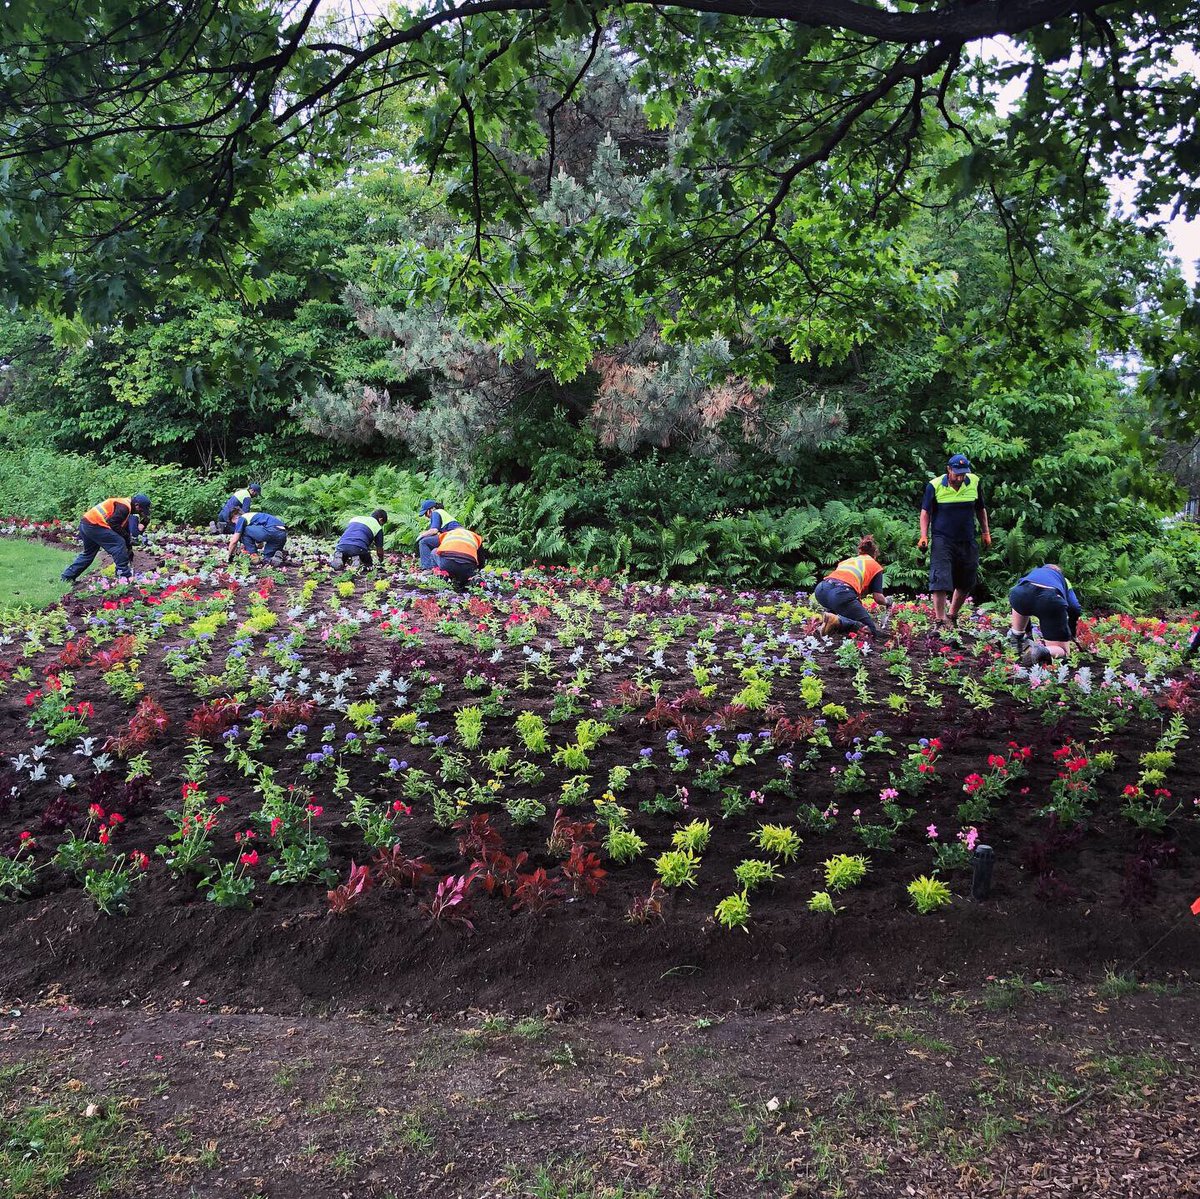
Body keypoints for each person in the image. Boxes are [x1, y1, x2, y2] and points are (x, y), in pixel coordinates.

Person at [917, 452, 992, 630]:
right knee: (940, 579)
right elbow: (925, 512)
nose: (960, 478)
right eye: (957, 474)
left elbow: (980, 509)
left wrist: (985, 532)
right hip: (942, 539)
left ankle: (952, 615)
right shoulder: (935, 485)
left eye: (963, 474)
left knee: (966, 579)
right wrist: (923, 535)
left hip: (967, 539)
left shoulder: (974, 482)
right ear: (949, 470)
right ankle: (940, 620)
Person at [813, 536, 894, 638]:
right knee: (870, 629)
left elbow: (844, 581)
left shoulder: (848, 561)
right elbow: (878, 598)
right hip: (841, 593)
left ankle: (824, 623)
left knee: (839, 611)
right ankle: (838, 621)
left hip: (822, 589)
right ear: (874, 555)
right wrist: (887, 602)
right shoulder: (875, 566)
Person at [62, 494, 152, 585]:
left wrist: (129, 548)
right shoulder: (124, 507)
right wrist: (125, 543)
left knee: (88, 554)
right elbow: (113, 524)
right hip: (95, 525)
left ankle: (67, 577)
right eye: (141, 510)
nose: (140, 513)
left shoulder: (124, 505)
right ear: (136, 505)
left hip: (86, 524)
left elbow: (124, 530)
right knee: (119, 543)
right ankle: (124, 576)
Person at [1006, 563, 1081, 667]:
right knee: (1063, 650)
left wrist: (1028, 632)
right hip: (1049, 599)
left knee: (1021, 595)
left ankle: (1016, 642)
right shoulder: (1063, 579)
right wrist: (1070, 632)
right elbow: (1074, 607)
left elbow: (1021, 598)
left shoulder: (1033, 573)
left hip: (1020, 593)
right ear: (1059, 572)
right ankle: (1040, 651)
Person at [432, 524, 486, 590]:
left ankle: (441, 577)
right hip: (468, 566)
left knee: (434, 551)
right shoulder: (475, 536)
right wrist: (478, 569)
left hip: (448, 563)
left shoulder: (448, 534)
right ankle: (473, 579)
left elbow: (440, 549)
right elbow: (481, 558)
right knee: (465, 578)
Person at [417, 499, 461, 569]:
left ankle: (428, 568)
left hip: (452, 537)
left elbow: (434, 530)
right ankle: (436, 566)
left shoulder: (436, 512)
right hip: (459, 536)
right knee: (431, 541)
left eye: (426, 513)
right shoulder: (443, 513)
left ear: (432, 509)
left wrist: (422, 535)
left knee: (423, 542)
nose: (426, 516)